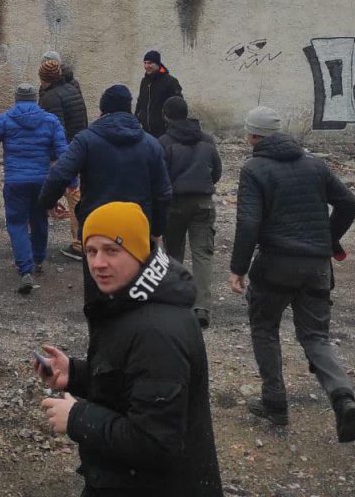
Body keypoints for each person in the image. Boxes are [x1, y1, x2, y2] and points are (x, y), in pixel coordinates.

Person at [38, 202, 222, 496]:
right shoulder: (133, 302)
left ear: (139, 253)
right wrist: (75, 374)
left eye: (112, 250)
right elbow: (132, 381)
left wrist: (77, 418)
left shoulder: (157, 332)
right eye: (91, 251)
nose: (98, 263)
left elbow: (155, 442)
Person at [230, 106, 355, 442]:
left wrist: (238, 269)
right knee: (315, 336)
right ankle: (342, 396)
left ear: (252, 135)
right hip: (317, 266)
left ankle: (275, 403)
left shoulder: (254, 169)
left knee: (264, 328)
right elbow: (349, 203)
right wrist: (329, 240)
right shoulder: (315, 165)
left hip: (275, 264)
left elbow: (248, 222)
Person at [39, 84, 172, 303]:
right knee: (137, 292)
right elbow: (164, 193)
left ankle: (101, 333)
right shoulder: (151, 144)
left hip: (96, 225)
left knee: (97, 292)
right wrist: (156, 228)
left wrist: (47, 203)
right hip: (137, 227)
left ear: (102, 110)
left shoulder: (86, 140)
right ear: (129, 109)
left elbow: (59, 174)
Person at [0, 83, 68, 294]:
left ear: (16, 99)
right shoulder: (50, 121)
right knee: (39, 219)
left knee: (17, 223)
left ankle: (25, 270)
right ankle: (38, 259)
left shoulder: (5, 119)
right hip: (42, 182)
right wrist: (71, 182)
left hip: (15, 182)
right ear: (35, 99)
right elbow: (64, 154)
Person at [159, 95, 222, 327]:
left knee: (174, 253)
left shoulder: (164, 142)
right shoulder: (207, 140)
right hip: (203, 202)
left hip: (175, 204)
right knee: (203, 254)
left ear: (166, 115)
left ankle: (176, 300)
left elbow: (160, 177)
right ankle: (202, 307)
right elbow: (217, 171)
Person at [37, 52, 88, 260]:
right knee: (76, 195)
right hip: (78, 146)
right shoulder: (71, 87)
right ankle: (81, 240)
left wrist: (56, 157)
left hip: (66, 152)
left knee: (71, 194)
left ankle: (79, 244)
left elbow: (55, 128)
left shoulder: (51, 97)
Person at [135, 49, 182, 137]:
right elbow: (140, 102)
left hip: (163, 133)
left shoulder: (170, 82)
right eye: (145, 63)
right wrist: (136, 119)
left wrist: (169, 126)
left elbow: (177, 107)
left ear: (157, 64)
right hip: (145, 133)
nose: (146, 66)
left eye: (149, 63)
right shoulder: (144, 81)